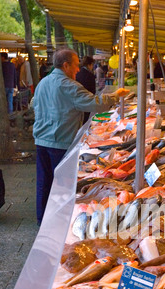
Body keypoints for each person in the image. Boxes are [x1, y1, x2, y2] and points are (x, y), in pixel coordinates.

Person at [33, 48, 127, 226]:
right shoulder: (69, 85)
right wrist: (116, 95)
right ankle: (59, 223)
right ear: (66, 65)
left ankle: (42, 219)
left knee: (44, 181)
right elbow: (94, 103)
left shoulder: (43, 83)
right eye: (76, 66)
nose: (78, 70)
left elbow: (34, 105)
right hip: (60, 141)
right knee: (62, 184)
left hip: (41, 140)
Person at [76, 56, 96, 124]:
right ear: (89, 64)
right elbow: (93, 91)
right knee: (85, 119)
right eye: (92, 65)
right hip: (87, 100)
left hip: (78, 101)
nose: (92, 67)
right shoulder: (90, 75)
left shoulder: (77, 73)